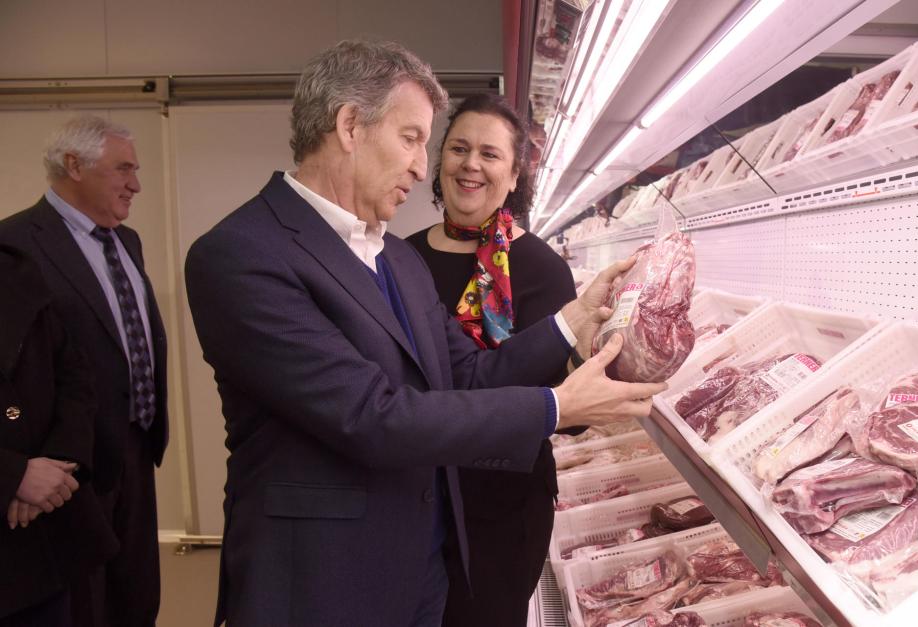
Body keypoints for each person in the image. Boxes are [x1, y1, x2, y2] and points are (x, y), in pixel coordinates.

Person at [184, 40, 665, 627]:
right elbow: (372, 417)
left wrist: (574, 317)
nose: (421, 165)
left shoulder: (394, 259)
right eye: (412, 138)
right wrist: (553, 408)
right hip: (323, 581)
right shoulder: (242, 255)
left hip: (423, 570)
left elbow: (465, 373)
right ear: (350, 125)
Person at [406, 93, 575, 626]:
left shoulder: (542, 269)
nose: (470, 165)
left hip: (503, 504)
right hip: (413, 494)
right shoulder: (401, 259)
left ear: (514, 171)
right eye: (458, 148)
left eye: (489, 153)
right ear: (440, 161)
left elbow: (568, 412)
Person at [0, 116, 169, 627]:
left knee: (136, 595)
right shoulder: (16, 244)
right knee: (85, 607)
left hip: (136, 448)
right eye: (123, 169)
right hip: (66, 467)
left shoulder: (128, 241)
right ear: (73, 165)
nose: (136, 183)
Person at [0, 244, 119, 627]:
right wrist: (13, 475)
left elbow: (74, 378)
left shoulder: (15, 267)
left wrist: (59, 464)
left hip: (44, 538)